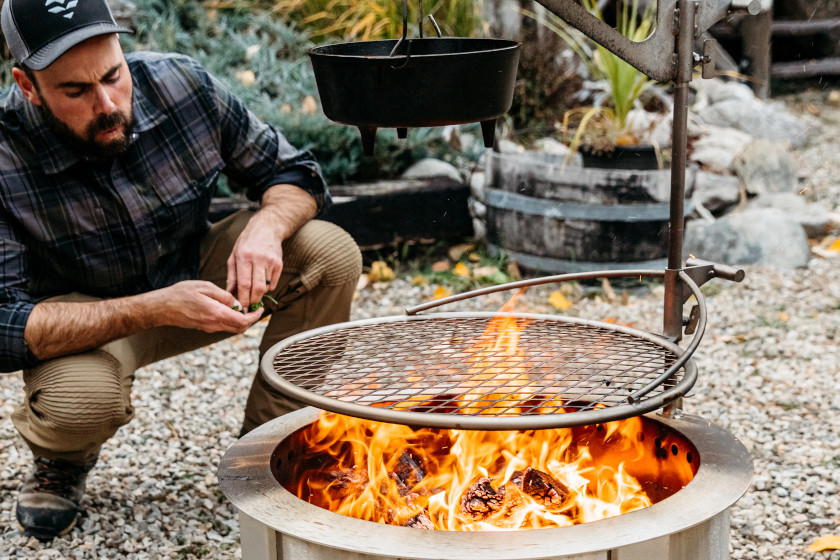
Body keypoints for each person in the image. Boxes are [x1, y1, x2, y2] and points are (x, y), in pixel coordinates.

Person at [0, 0, 362, 542]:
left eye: (112, 76)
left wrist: (265, 228)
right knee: (78, 403)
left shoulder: (179, 83)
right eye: (75, 91)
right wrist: (155, 306)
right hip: (86, 319)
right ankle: (62, 461)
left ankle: (272, 445)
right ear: (27, 86)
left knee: (326, 252)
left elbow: (295, 173)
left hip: (193, 269)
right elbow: (3, 326)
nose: (106, 104)